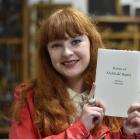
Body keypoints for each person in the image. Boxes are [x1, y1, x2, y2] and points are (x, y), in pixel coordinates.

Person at [9, 8, 140, 139]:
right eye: (56, 45)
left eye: (76, 42)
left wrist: (127, 134)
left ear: (91, 43)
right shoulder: (28, 97)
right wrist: (80, 128)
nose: (67, 52)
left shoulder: (118, 90)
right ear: (46, 53)